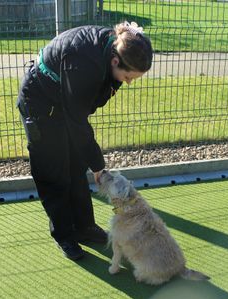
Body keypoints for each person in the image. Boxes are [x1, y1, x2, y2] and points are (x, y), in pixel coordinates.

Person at [17, 21, 153, 260]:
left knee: (76, 167)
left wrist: (90, 161)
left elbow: (80, 112)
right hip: (40, 105)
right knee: (54, 173)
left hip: (65, 104)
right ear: (115, 62)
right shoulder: (83, 63)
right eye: (129, 76)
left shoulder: (115, 51)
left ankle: (84, 227)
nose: (130, 82)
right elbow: (77, 121)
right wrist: (99, 166)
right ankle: (64, 234)